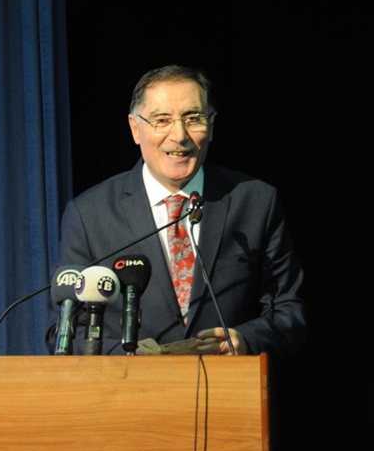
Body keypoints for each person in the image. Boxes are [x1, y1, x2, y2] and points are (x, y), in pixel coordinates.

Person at [46, 64, 308, 357]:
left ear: (211, 125)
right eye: (162, 120)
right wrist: (131, 356)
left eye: (193, 118)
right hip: (131, 383)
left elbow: (289, 310)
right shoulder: (90, 214)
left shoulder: (256, 202)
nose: (179, 135)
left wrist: (246, 340)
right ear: (135, 128)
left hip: (228, 381)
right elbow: (64, 331)